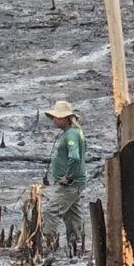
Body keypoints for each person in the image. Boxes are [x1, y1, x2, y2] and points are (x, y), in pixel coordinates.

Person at [42, 100, 87, 253]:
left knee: (50, 211)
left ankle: (49, 245)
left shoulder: (71, 135)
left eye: (57, 117)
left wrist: (68, 177)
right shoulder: (73, 132)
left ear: (67, 118)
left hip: (69, 184)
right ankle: (76, 247)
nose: (54, 120)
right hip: (75, 184)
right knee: (72, 215)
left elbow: (74, 157)